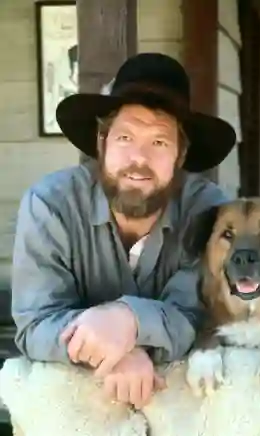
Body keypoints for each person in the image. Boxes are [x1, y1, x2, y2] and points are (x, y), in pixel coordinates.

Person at [11, 53, 236, 409]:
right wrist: (115, 350)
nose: (139, 159)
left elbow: (198, 317)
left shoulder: (210, 214)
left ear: (181, 155)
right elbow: (36, 323)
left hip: (180, 398)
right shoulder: (51, 205)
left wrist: (128, 321)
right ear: (102, 142)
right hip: (81, 397)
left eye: (159, 142)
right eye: (125, 137)